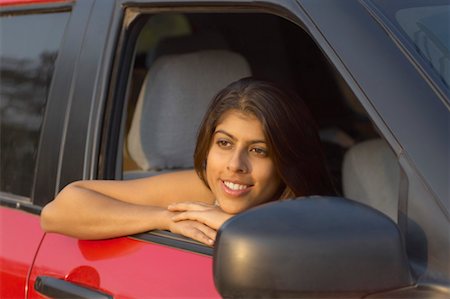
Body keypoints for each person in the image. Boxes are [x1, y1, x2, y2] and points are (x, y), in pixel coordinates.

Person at [41, 78, 335, 246]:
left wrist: (235, 225)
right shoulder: (206, 189)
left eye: (259, 151)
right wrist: (167, 220)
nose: (235, 164)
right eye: (224, 143)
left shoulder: (313, 217)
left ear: (287, 160)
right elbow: (57, 211)